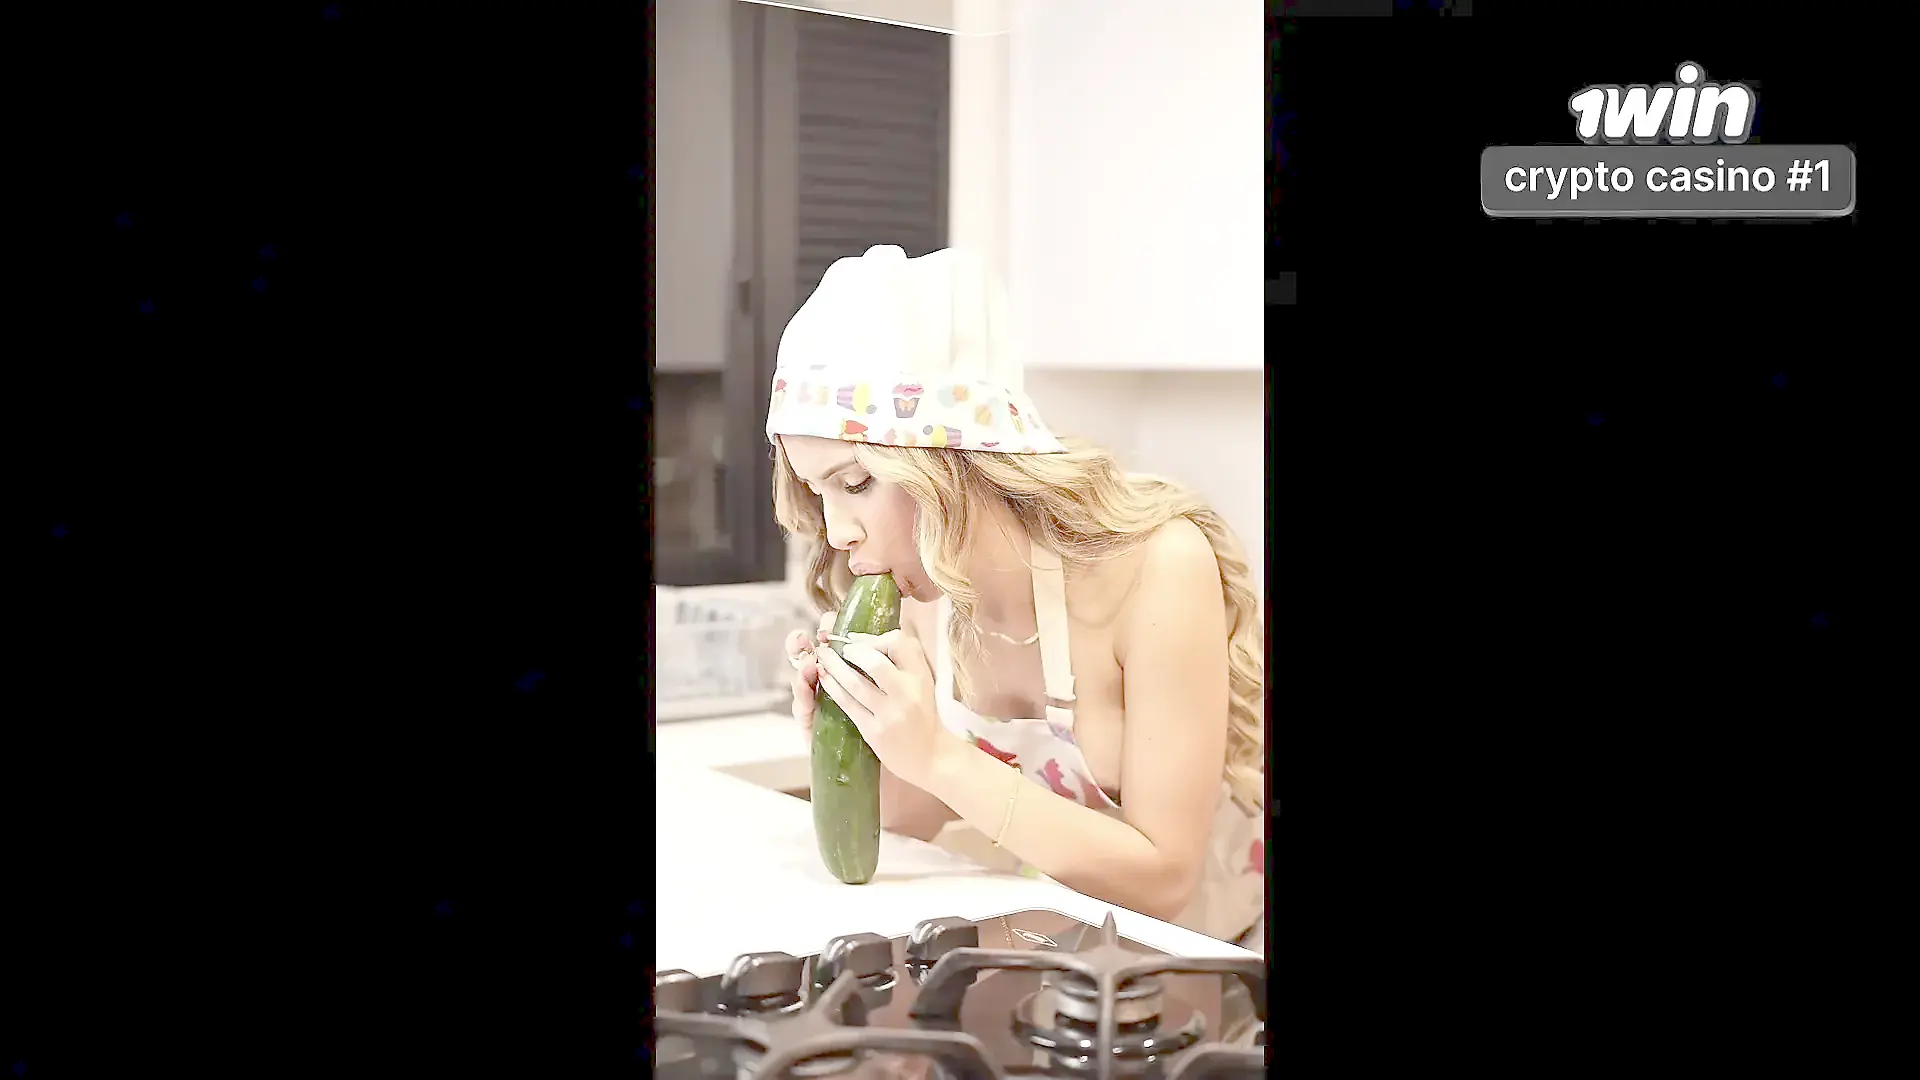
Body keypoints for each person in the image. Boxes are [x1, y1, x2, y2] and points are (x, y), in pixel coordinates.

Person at [769, 245, 1265, 948]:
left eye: (855, 483)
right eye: (818, 492)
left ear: (953, 461)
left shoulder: (1157, 565)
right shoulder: (927, 582)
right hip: (1078, 955)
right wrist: (857, 731)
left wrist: (940, 755)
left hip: (1217, 955)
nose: (838, 531)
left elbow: (1165, 879)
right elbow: (914, 818)